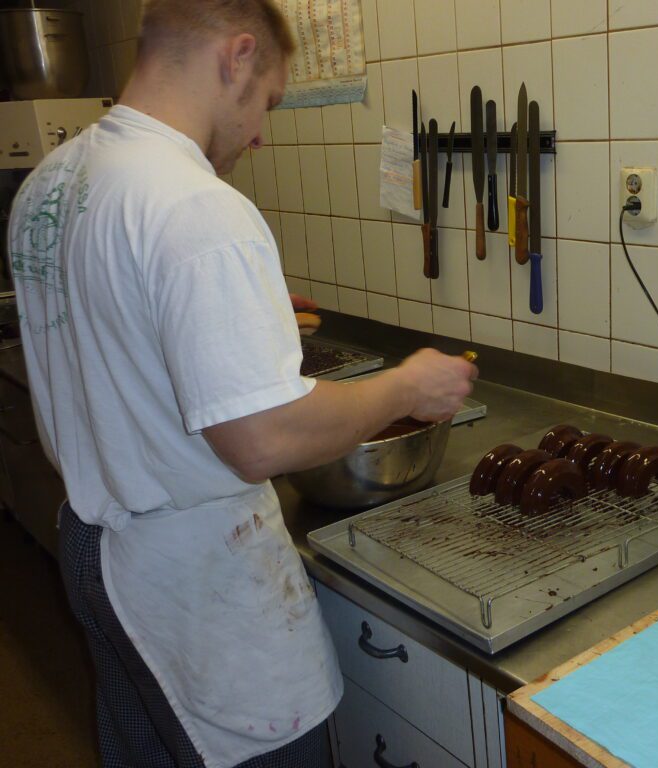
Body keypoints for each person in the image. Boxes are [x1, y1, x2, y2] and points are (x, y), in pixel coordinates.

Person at [6, 1, 477, 766]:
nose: (261, 132)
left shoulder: (53, 186)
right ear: (237, 55)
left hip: (97, 557)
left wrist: (232, 324)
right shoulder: (196, 206)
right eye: (268, 101)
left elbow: (110, 327)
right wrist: (406, 387)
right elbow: (261, 439)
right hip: (197, 591)